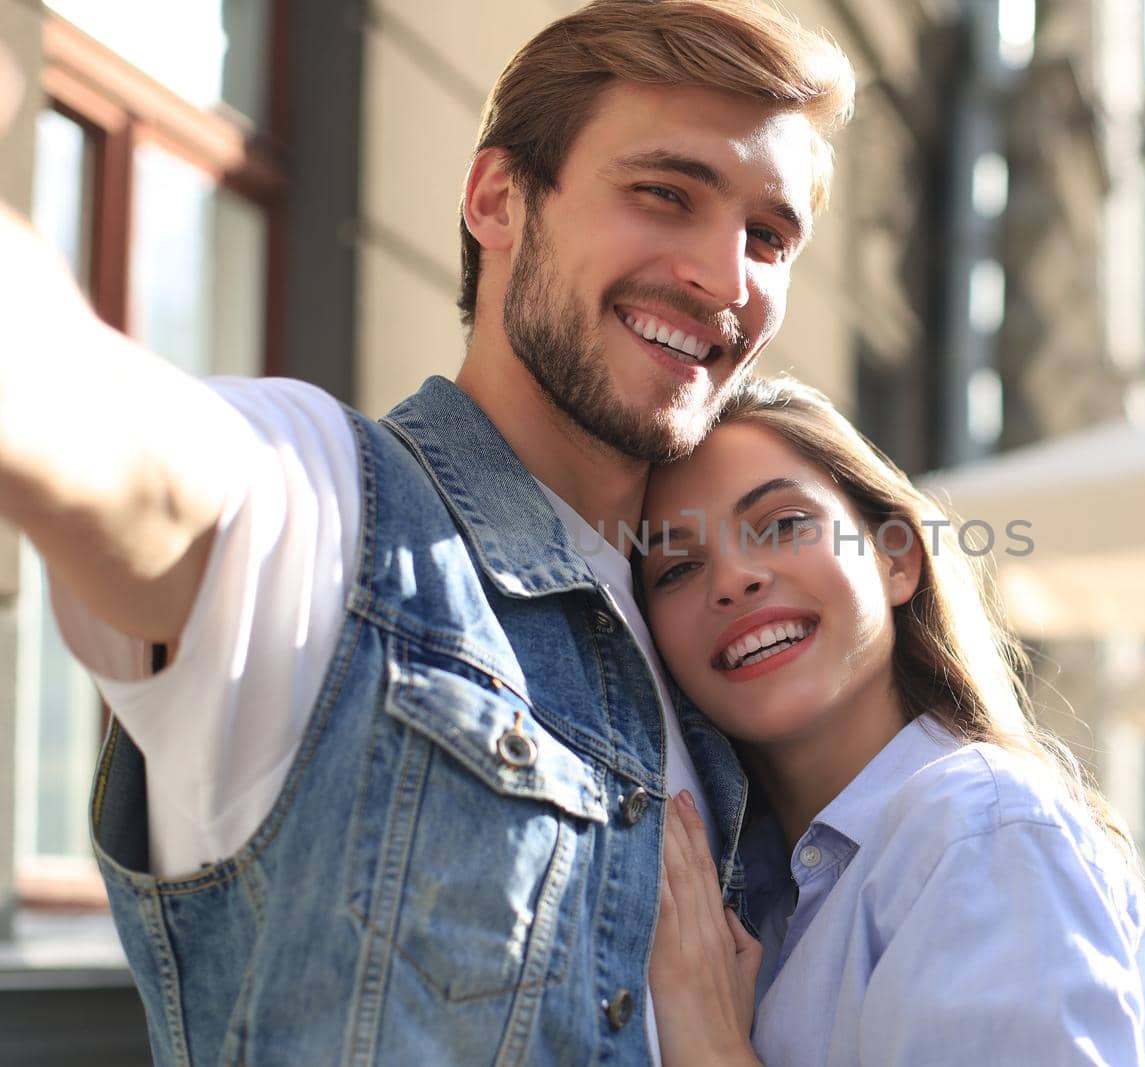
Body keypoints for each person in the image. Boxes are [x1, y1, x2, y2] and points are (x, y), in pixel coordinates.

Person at [0, 2, 853, 1063]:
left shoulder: (716, 646)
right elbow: (122, 451)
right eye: (663, 193)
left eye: (766, 236)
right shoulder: (335, 508)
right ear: (497, 200)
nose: (724, 280)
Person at [635, 376, 1145, 1066]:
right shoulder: (760, 907)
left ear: (895, 557)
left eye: (781, 524)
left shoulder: (978, 826)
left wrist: (713, 1049)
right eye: (677, 566)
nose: (732, 578)